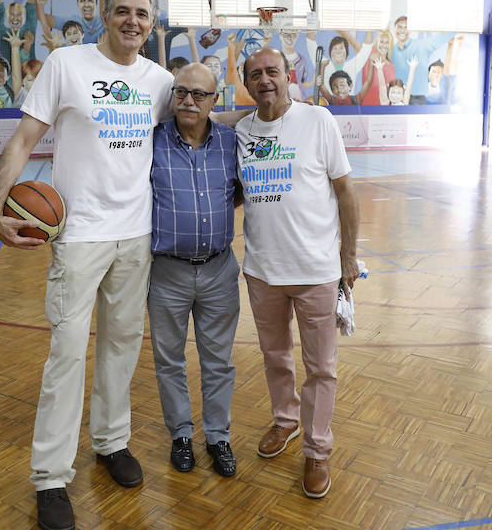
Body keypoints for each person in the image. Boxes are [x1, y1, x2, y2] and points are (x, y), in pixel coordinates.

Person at [0, 0, 175, 530]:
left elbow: (198, 123)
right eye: (122, 11)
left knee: (121, 347)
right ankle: (50, 477)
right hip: (78, 237)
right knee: (67, 355)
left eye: (141, 13)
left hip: (137, 236)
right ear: (105, 16)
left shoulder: (159, 82)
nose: (131, 21)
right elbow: (23, 140)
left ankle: (112, 442)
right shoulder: (66, 64)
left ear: (152, 22)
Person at [235, 47, 360, 499]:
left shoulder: (318, 120)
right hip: (262, 271)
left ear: (289, 76)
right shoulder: (241, 132)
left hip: (317, 270)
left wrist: (349, 256)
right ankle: (286, 420)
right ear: (246, 84)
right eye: (255, 74)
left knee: (321, 367)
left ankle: (317, 449)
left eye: (272, 71)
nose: (265, 79)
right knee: (274, 356)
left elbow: (345, 192)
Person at [148, 63, 242, 478]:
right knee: (169, 360)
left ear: (213, 101)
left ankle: (218, 436)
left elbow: (236, 193)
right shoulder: (150, 141)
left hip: (220, 271)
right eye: (181, 92)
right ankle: (181, 434)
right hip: (166, 273)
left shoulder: (230, 142)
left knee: (218, 361)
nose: (188, 100)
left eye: (199, 94)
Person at [390, 16, 453, 104]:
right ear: (395, 28)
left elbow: (441, 38)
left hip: (417, 100)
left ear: (410, 30)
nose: (402, 30)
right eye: (399, 27)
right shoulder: (393, 51)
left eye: (406, 27)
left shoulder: (421, 45)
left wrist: (454, 22)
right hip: (399, 100)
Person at [0, 0, 38, 84]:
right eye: (11, 15)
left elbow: (32, 9)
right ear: (7, 17)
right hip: (8, 85)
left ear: (24, 17)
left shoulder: (28, 31)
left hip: (28, 83)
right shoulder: (2, 34)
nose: (15, 18)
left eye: (19, 15)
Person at [306, 31, 373, 103]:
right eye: (335, 48)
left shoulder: (352, 65)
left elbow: (366, 49)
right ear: (330, 51)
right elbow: (311, 44)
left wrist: (370, 29)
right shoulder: (324, 63)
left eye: (341, 48)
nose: (338, 51)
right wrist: (322, 66)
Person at [424, 35, 464, 105]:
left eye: (439, 72)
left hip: (446, 105)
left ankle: (453, 47)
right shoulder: (422, 90)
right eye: (434, 71)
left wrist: (453, 48)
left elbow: (449, 75)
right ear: (428, 74)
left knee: (448, 83)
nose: (436, 74)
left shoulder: (445, 85)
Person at [359, 31, 394, 106]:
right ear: (377, 43)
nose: (384, 45)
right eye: (381, 42)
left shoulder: (390, 66)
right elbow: (367, 82)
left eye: (387, 42)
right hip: (367, 103)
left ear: (390, 45)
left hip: (383, 105)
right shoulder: (370, 56)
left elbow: (390, 90)